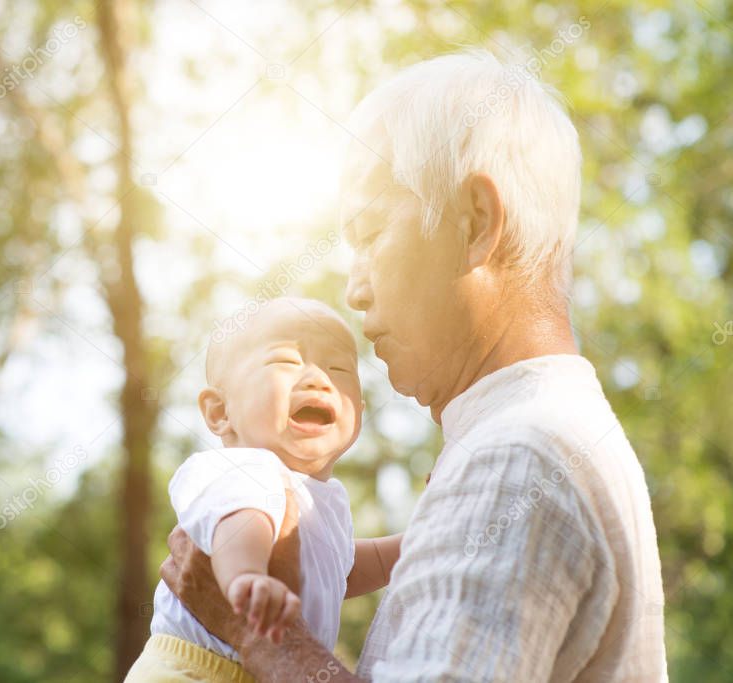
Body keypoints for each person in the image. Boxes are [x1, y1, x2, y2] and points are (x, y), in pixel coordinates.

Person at [160, 49, 667, 681]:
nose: (354, 291)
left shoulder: (517, 456)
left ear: (476, 222)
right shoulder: (549, 433)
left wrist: (252, 632)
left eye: (370, 236)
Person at [127, 297, 403, 682]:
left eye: (338, 368)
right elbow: (240, 524)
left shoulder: (327, 501)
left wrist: (414, 544)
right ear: (220, 412)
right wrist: (248, 577)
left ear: (359, 407)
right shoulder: (247, 467)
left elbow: (343, 571)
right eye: (286, 362)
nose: (317, 378)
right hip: (197, 670)